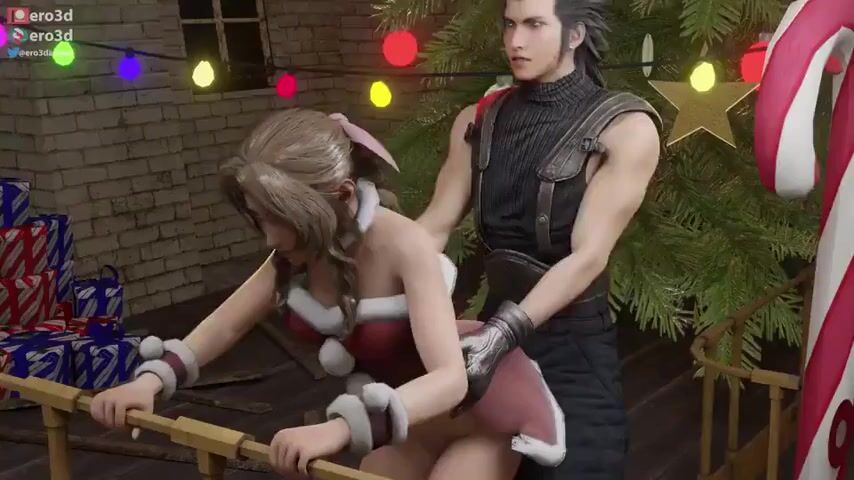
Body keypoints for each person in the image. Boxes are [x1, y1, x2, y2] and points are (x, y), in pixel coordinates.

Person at [88, 108, 567, 480]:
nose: (270, 237)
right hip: (413, 423)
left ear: (341, 196)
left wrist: (339, 428)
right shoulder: (295, 252)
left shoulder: (406, 246)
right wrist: (150, 382)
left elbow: (450, 380)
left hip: (483, 412)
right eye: (260, 219)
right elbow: (228, 322)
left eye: (280, 219)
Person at [416, 0, 663, 478]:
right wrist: (369, 273)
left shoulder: (626, 128)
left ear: (575, 34)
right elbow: (434, 224)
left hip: (572, 345)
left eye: (534, 25)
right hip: (489, 332)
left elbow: (587, 257)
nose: (515, 41)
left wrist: (501, 335)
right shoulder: (478, 119)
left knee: (584, 468)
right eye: (509, 25)